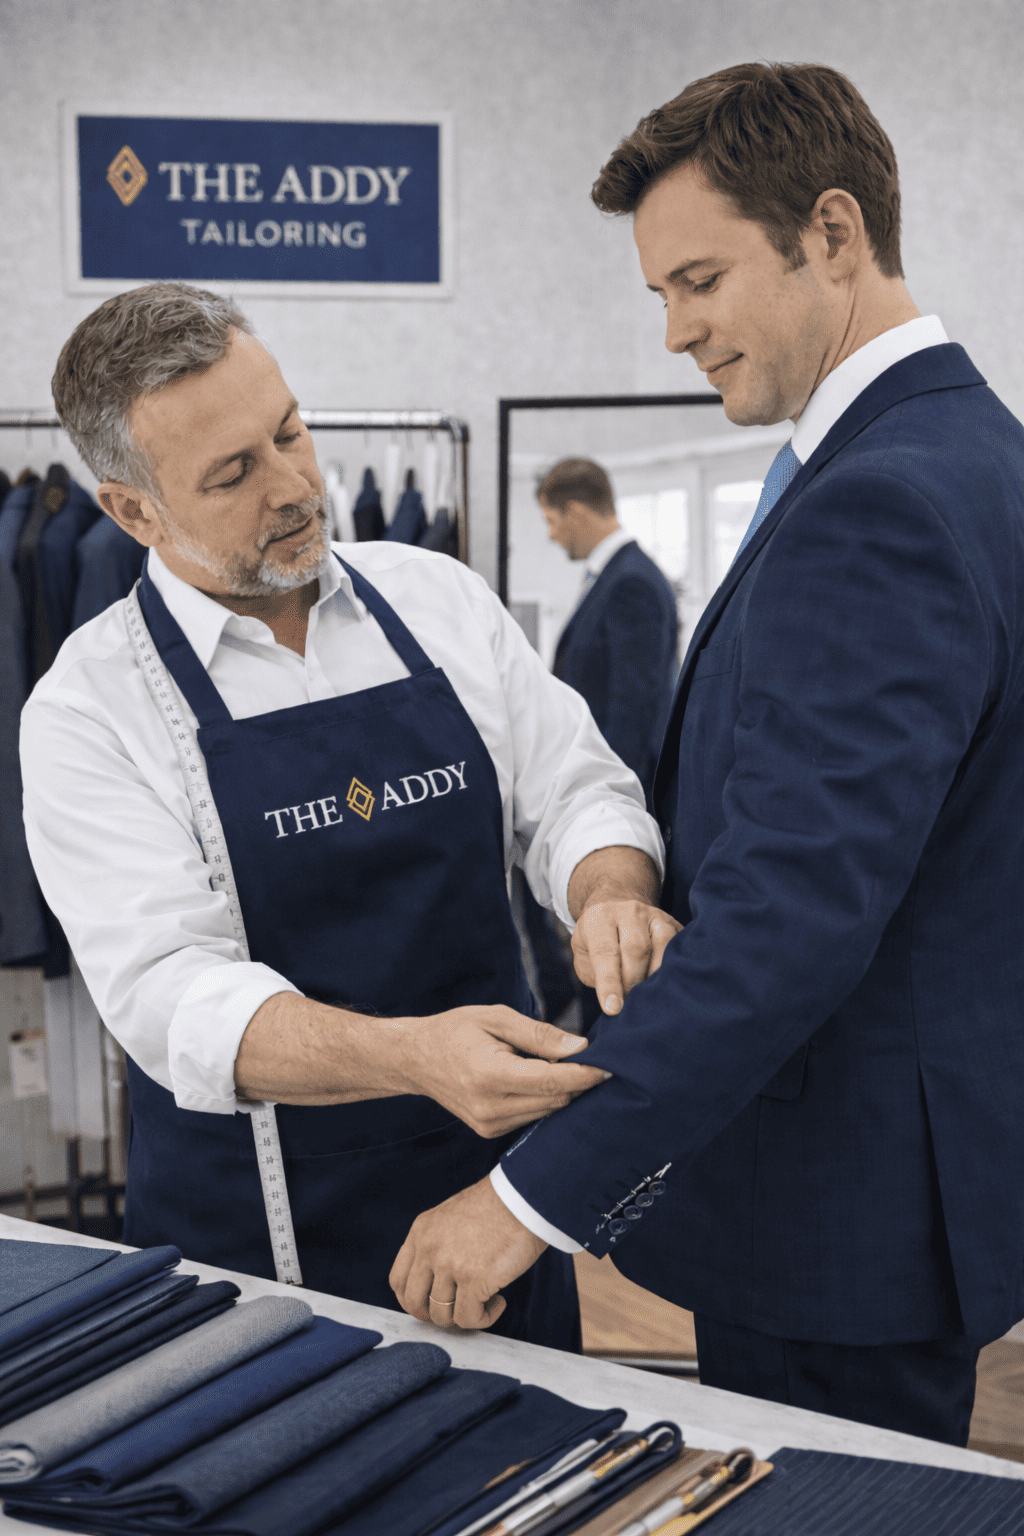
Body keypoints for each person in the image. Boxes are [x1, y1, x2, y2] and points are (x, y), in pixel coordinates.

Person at [389, 62, 1024, 1445]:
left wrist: (527, 1198)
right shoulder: (978, 453)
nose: (675, 331)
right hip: (908, 1165)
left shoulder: (878, 503)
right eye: (659, 294)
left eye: (699, 281)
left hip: (834, 1200)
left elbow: (795, 919)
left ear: (833, 233)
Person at [20, 282, 678, 1350]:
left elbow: (575, 790)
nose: (293, 487)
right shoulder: (89, 711)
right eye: (233, 472)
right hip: (259, 1250)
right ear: (133, 511)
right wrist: (414, 1057)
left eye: (290, 432)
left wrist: (607, 890)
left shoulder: (439, 600)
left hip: (503, 1203)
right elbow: (171, 995)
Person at [539, 458, 678, 799]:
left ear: (576, 513)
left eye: (551, 521)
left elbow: (633, 709)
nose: (551, 535)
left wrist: (612, 797)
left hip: (613, 788)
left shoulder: (631, 582)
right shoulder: (613, 574)